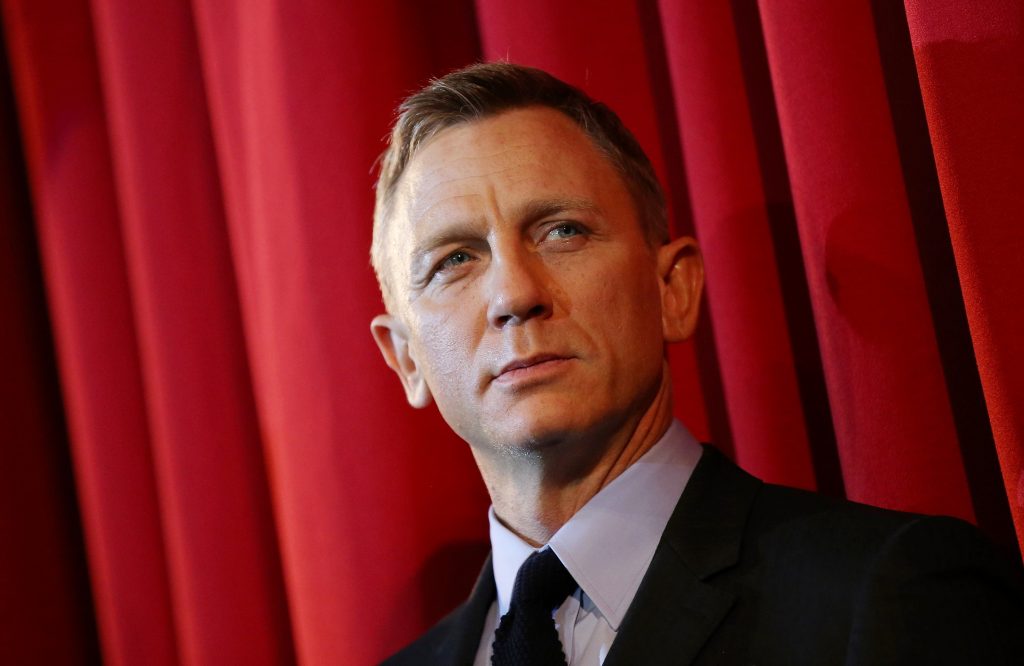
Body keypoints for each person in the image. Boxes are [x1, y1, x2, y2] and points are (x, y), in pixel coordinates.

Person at [369, 62, 1023, 665]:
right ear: (406, 360)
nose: (515, 295)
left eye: (563, 231)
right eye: (454, 260)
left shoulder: (891, 590)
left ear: (672, 291)